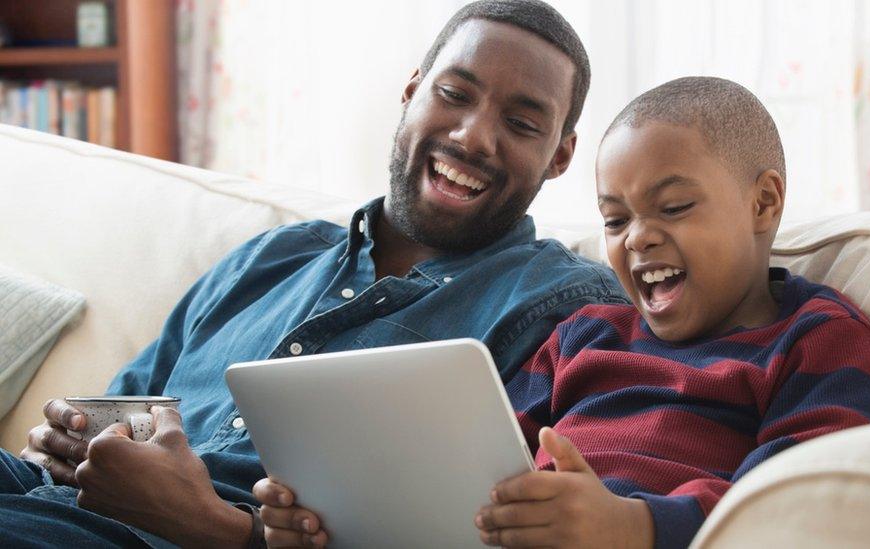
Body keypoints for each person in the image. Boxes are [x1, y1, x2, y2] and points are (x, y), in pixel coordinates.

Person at [2, 1, 628, 547]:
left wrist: (221, 530)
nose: (473, 137)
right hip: (39, 496)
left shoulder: (565, 307)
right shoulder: (272, 255)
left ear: (561, 156)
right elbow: (119, 413)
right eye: (454, 95)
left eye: (521, 123)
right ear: (411, 92)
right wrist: (64, 441)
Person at [257, 77, 870, 548]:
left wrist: (632, 526)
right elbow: (482, 462)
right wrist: (338, 515)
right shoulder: (586, 331)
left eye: (671, 208)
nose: (636, 238)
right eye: (615, 220)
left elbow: (798, 503)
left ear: (764, 202)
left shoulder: (816, 337)